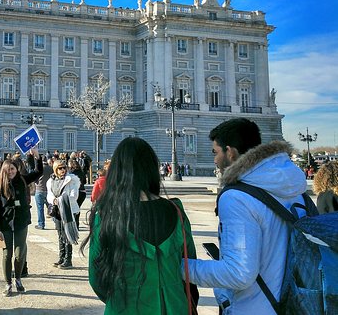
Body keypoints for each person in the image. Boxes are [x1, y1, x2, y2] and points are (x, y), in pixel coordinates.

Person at [187, 118, 308, 314]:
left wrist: (183, 267)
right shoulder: (296, 188)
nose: (215, 160)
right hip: (295, 304)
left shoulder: (236, 197)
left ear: (231, 152)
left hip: (253, 307)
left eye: (215, 152)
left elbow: (239, 273)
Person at [82, 137, 198, 313]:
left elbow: (96, 277)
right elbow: (189, 265)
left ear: (116, 172)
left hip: (125, 307)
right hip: (175, 307)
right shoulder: (176, 211)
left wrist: (118, 298)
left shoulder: (106, 215)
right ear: (152, 169)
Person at [0, 147, 43, 296]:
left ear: (16, 169)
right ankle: (8, 283)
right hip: (5, 223)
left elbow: (38, 172)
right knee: (7, 254)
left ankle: (18, 278)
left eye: (13, 169)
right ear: (3, 171)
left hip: (20, 221)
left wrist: (36, 156)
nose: (11, 172)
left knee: (20, 254)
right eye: (8, 170)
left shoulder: (22, 179)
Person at [46, 159, 80, 268]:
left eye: (64, 167)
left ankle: (68, 259)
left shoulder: (72, 179)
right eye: (60, 168)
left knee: (67, 234)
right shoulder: (51, 181)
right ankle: (61, 257)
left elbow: (74, 196)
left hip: (68, 209)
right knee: (60, 234)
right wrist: (53, 200)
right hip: (57, 210)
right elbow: (49, 195)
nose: (63, 170)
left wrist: (61, 200)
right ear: (55, 169)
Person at [33, 155, 54, 230]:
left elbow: (34, 178)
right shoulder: (51, 168)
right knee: (51, 207)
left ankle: (41, 224)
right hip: (49, 191)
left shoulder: (38, 168)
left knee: (40, 208)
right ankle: (56, 221)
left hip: (39, 189)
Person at [69, 158, 87, 228]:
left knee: (73, 209)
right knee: (78, 208)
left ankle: (74, 224)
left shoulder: (71, 173)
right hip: (82, 192)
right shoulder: (82, 172)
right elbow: (85, 182)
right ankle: (77, 225)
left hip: (76, 192)